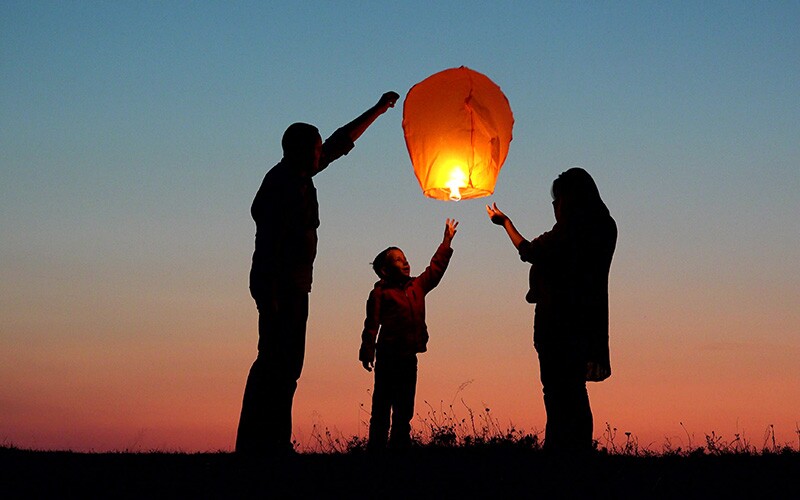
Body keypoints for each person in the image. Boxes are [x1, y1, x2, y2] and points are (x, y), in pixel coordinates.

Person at [236, 91, 400, 456]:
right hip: (280, 288)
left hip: (294, 286)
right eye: (313, 150)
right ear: (296, 151)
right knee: (275, 364)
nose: (318, 155)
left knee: (286, 364)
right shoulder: (280, 185)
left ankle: (269, 442)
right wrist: (271, 294)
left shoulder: (299, 173)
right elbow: (268, 247)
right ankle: (261, 443)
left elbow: (339, 143)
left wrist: (378, 108)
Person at [486, 167, 617, 453]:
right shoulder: (604, 227)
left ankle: (561, 454)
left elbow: (530, 252)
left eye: (557, 199)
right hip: (586, 321)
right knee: (573, 392)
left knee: (558, 393)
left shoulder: (571, 231)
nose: (555, 206)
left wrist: (506, 223)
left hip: (559, 323)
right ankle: (576, 451)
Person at [359, 219, 458, 451]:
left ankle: (399, 451)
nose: (405, 262)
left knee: (404, 409)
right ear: (384, 269)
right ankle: (376, 451)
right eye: (398, 259)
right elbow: (371, 324)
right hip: (387, 357)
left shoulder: (417, 287)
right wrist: (367, 350)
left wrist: (446, 241)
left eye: (404, 258)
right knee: (382, 407)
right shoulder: (379, 293)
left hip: (408, 358)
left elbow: (435, 269)